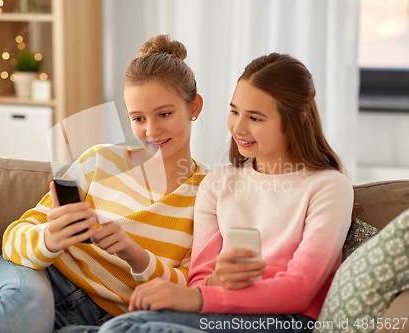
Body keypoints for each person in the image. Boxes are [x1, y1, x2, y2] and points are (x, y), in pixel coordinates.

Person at [0, 35, 209, 333]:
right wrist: (51, 237)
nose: (151, 130)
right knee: (12, 316)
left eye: (164, 114)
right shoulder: (99, 160)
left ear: (194, 106)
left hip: (107, 319)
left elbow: (189, 292)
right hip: (38, 278)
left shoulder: (209, 192)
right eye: (138, 118)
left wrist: (134, 253)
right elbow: (14, 238)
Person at [98, 53, 354, 333]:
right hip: (222, 313)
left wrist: (198, 297)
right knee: (123, 325)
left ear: (297, 119)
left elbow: (299, 290)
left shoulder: (328, 186)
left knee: (125, 329)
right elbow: (200, 280)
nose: (238, 128)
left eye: (255, 117)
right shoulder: (217, 184)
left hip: (287, 320)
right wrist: (217, 280)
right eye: (234, 112)